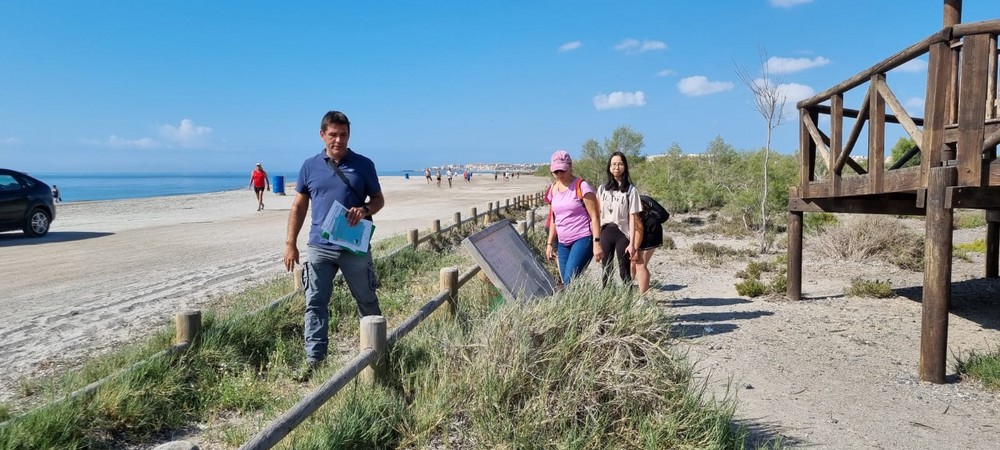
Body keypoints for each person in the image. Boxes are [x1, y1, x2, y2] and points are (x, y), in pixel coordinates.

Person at [284, 110, 386, 381]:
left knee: (366, 299)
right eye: (333, 135)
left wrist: (364, 209)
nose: (338, 140)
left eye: (343, 135)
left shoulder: (364, 164)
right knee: (315, 302)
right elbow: (299, 206)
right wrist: (290, 243)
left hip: (353, 246)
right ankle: (314, 360)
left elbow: (378, 200)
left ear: (348, 135)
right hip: (319, 245)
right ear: (322, 135)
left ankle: (378, 353)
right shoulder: (309, 166)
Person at [544, 150, 603, 285]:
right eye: (556, 172)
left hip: (582, 238)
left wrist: (597, 243)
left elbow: (595, 216)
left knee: (570, 280)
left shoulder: (581, 186)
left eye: (562, 171)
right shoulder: (553, 189)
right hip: (563, 242)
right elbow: (554, 219)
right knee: (567, 282)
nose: (559, 175)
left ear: (570, 167)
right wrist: (549, 244)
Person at [597, 152, 643, 287]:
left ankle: (627, 299)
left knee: (624, 271)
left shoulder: (630, 190)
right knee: (606, 269)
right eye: (614, 164)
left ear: (625, 167)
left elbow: (633, 217)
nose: (617, 167)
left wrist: (632, 244)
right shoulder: (602, 189)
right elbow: (597, 214)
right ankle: (607, 299)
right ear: (609, 167)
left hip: (622, 233)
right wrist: (596, 239)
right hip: (605, 231)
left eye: (620, 164)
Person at [633, 194, 669, 294]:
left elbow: (638, 228)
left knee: (640, 264)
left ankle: (643, 296)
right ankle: (630, 286)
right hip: (649, 228)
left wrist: (635, 248)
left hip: (650, 230)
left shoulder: (632, 201)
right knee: (634, 261)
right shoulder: (633, 198)